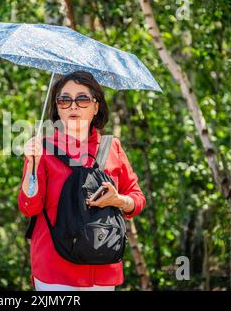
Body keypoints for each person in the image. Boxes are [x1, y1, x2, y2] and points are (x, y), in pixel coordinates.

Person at [18, 71, 146, 291]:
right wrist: (32, 164)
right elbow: (29, 208)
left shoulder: (111, 147)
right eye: (64, 99)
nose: (73, 106)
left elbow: (137, 199)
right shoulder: (43, 148)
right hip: (55, 268)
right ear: (57, 107)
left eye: (82, 99)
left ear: (96, 106)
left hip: (102, 266)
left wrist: (119, 200)